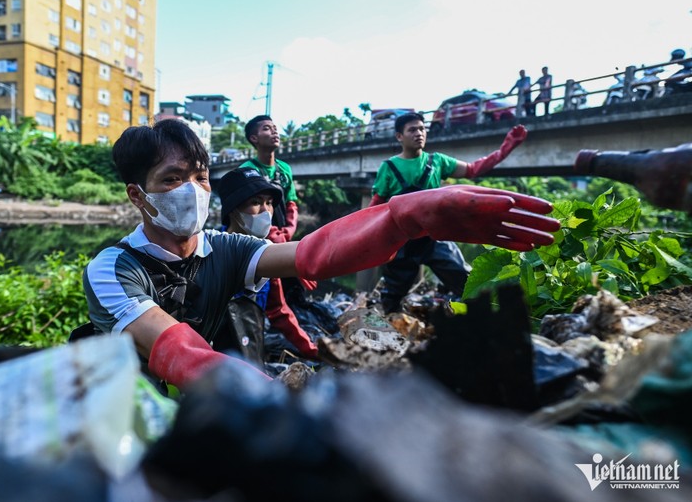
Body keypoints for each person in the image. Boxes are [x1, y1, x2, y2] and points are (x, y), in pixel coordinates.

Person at [82, 119, 560, 390]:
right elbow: (179, 350)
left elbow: (314, 255)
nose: (192, 190)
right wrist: (274, 396)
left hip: (198, 398)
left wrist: (401, 218)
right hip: (125, 404)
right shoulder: (113, 268)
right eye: (171, 179)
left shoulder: (225, 247)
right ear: (137, 195)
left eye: (201, 176)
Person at [370, 112, 529, 314]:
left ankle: (481, 322)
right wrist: (370, 240)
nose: (419, 133)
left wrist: (505, 150)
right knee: (393, 294)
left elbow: (472, 169)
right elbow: (375, 205)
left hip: (434, 237)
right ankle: (388, 331)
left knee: (465, 281)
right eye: (412, 130)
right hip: (402, 243)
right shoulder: (389, 167)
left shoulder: (437, 161)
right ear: (399, 136)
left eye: (422, 128)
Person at [218, 167, 318, 358]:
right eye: (255, 203)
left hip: (249, 351)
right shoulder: (210, 251)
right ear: (233, 209)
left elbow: (278, 310)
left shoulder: (266, 253)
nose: (266, 211)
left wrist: (311, 349)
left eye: (269, 203)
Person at [240, 115, 298, 233]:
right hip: (254, 237)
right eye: (267, 128)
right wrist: (270, 233)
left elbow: (290, 204)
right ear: (254, 138)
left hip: (282, 236)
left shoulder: (285, 168)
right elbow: (245, 211)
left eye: (275, 128)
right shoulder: (246, 170)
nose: (274, 132)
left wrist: (288, 231)